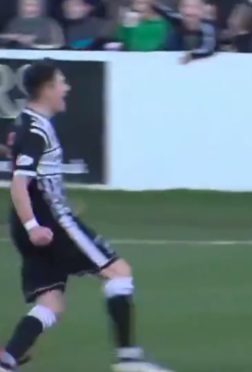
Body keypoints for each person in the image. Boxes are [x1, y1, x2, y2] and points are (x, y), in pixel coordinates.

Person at [0, 60, 173, 372]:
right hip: (51, 223)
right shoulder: (35, 129)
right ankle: (128, 360)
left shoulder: (27, 123)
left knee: (50, 303)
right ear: (47, 89)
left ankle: (7, 360)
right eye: (61, 82)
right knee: (119, 272)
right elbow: (18, 185)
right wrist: (34, 225)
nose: (66, 88)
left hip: (35, 224)